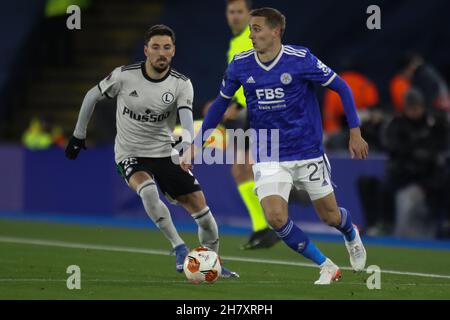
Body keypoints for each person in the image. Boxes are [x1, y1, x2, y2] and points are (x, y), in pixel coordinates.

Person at [182, 8, 368, 285]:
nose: (251, 34)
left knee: (330, 216)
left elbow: (342, 87)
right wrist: (196, 145)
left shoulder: (300, 59)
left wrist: (355, 132)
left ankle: (350, 233)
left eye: (256, 29)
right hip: (268, 150)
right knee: (276, 218)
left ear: (275, 31)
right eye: (250, 29)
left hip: (307, 151)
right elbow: (220, 105)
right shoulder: (240, 64)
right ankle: (326, 266)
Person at [64, 25, 238, 278]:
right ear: (146, 50)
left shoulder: (181, 84)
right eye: (155, 47)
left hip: (164, 152)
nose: (161, 53)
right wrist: (78, 135)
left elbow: (186, 117)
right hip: (129, 153)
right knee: (147, 191)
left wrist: (189, 146)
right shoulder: (124, 76)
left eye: (166, 48)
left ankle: (211, 262)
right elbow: (92, 96)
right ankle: (178, 247)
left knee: (204, 215)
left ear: (173, 51)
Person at [205, 0, 279, 250]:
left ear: (249, 15)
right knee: (242, 170)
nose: (235, 16)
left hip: (255, 110)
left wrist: (235, 105)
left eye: (240, 12)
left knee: (250, 168)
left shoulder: (250, 39)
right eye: (231, 12)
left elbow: (259, 75)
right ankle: (263, 227)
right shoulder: (236, 42)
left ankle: (271, 224)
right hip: (242, 112)